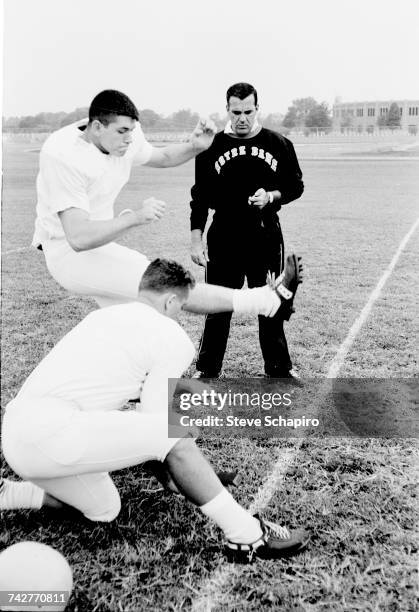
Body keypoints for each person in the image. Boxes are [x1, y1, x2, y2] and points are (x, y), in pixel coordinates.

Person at [1, 259, 309, 563]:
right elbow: (158, 424)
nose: (180, 314)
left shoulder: (101, 318)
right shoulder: (169, 333)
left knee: (105, 509)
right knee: (172, 435)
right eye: (181, 307)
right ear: (171, 300)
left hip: (18, 436)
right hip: (52, 433)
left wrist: (186, 391)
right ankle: (247, 536)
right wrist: (185, 471)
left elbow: (125, 389)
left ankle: (11, 494)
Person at [31, 88, 287, 319]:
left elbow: (162, 156)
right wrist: (135, 217)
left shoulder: (124, 133)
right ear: (97, 127)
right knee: (163, 284)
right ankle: (261, 300)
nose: (130, 140)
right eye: (122, 132)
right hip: (67, 253)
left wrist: (194, 147)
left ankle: (121, 366)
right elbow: (78, 238)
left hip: (101, 246)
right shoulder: (62, 154)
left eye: (131, 131)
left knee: (139, 317)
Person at [190, 82, 304, 379]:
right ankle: (208, 369)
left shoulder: (278, 144)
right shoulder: (211, 146)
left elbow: (295, 186)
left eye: (248, 111)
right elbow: (199, 197)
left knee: (271, 301)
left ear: (257, 109)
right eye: (236, 111)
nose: (242, 118)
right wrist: (195, 240)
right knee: (217, 306)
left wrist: (272, 196)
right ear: (227, 109)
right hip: (224, 236)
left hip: (264, 236)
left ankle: (279, 368)